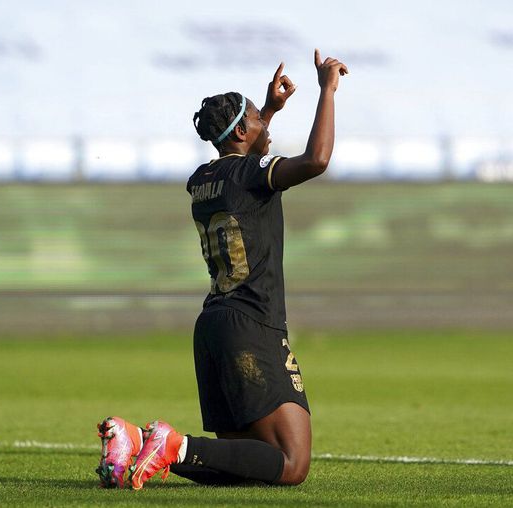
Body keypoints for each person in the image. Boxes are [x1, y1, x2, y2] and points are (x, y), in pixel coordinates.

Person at [96, 48, 348, 489]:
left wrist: (266, 110)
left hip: (214, 325)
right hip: (252, 323)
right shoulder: (251, 174)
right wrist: (327, 89)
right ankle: (173, 445)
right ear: (241, 132)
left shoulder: (201, 180)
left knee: (243, 464)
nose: (265, 125)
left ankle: (137, 443)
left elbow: (244, 148)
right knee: (291, 464)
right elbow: (317, 159)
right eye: (256, 117)